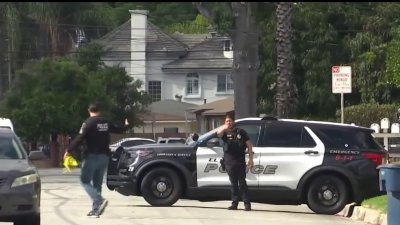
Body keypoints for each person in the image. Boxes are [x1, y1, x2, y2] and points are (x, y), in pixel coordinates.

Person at [65, 103, 130, 218]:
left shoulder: (88, 123)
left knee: (84, 180)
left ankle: (99, 200)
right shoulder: (105, 122)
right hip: (105, 157)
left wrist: (69, 150)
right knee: (97, 183)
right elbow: (118, 129)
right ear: (99, 111)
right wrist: (126, 125)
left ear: (89, 110)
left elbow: (80, 138)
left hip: (92, 156)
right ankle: (96, 210)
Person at [217, 112, 254, 211]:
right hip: (229, 162)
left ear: (234, 122)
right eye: (227, 121)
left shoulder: (241, 132)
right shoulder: (224, 133)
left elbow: (249, 145)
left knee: (242, 183)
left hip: (240, 162)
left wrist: (251, 160)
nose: (228, 122)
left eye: (230, 121)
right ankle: (234, 203)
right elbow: (218, 133)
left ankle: (247, 204)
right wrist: (224, 127)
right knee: (233, 184)